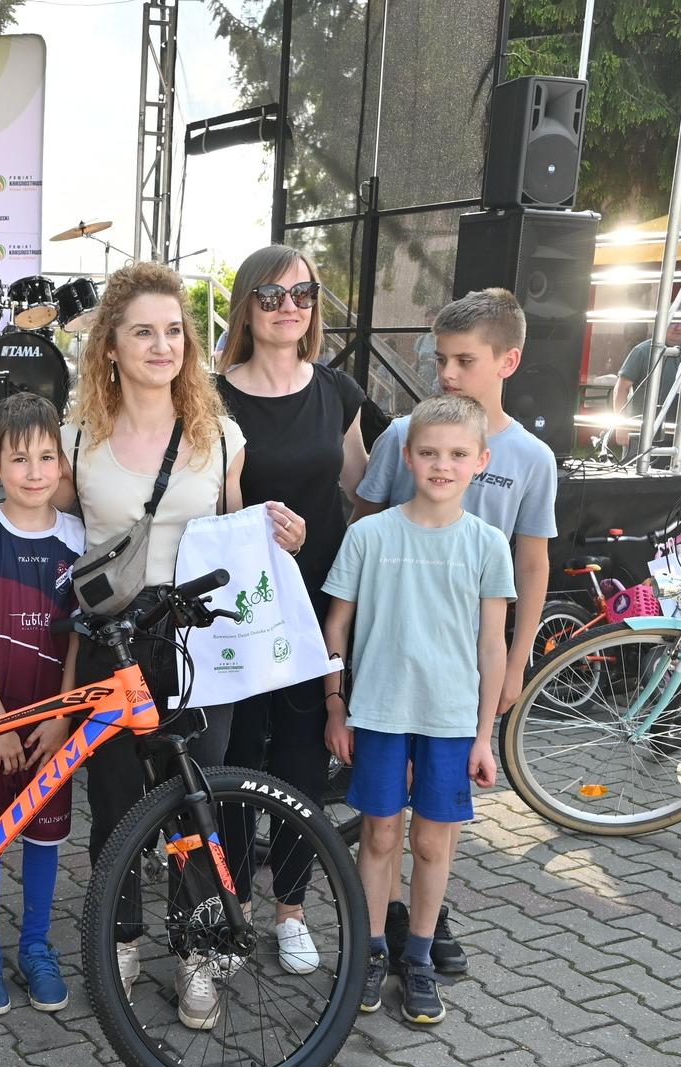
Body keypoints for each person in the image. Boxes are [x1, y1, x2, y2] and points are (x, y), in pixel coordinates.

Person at [0, 261, 309, 1030]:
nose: (161, 345)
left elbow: (238, 535)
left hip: (202, 644)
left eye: (174, 331)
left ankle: (197, 951)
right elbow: (38, 523)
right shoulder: (78, 439)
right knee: (114, 800)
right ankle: (123, 937)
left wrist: (285, 537)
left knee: (197, 799)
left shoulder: (222, 437)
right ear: (109, 345)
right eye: (143, 331)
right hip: (110, 642)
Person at [353, 287, 555, 976]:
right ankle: (383, 924)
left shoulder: (531, 457)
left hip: (467, 665)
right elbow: (366, 525)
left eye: (464, 360)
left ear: (508, 361)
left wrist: (518, 660)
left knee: (440, 815)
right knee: (383, 818)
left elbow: (533, 562)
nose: (446, 374)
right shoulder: (403, 434)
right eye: (440, 359)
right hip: (395, 660)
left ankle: (428, 922)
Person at [325, 394, 514, 1027]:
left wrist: (484, 735)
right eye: (429, 453)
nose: (442, 465)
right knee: (379, 835)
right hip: (378, 712)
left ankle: (421, 954)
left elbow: (492, 645)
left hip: (451, 720)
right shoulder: (369, 535)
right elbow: (337, 628)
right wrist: (335, 706)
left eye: (458, 454)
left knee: (433, 843)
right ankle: (370, 948)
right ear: (406, 457)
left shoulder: (487, 544)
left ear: (480, 461)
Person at [213, 245, 369, 976]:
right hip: (245, 603)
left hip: (317, 599)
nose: (290, 308)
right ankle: (236, 905)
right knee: (240, 752)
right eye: (272, 296)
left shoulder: (338, 390)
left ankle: (292, 909)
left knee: (302, 755)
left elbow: (363, 489)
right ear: (246, 305)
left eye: (303, 294)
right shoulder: (213, 397)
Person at [0, 393, 83, 1015]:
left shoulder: (78, 539)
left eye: (46, 457)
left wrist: (62, 718)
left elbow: (78, 639)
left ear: (62, 464)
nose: (34, 472)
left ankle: (35, 947)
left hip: (50, 726)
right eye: (19, 459)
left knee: (45, 837)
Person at [611, 316, 681, 456]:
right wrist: (621, 426)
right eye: (673, 321)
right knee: (635, 469)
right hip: (641, 432)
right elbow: (621, 389)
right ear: (663, 321)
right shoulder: (642, 351)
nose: (678, 327)